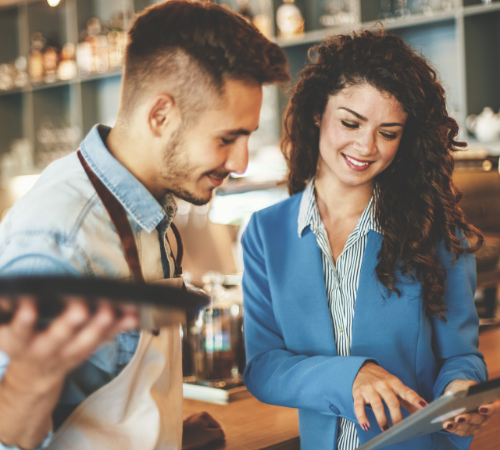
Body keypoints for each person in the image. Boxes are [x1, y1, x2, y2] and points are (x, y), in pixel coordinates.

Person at [0, 1, 289, 449]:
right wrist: (23, 389)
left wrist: (166, 435)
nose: (241, 161)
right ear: (160, 116)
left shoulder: (154, 210)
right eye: (227, 138)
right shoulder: (63, 236)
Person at [241, 29, 499, 450]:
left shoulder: (434, 231)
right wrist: (352, 376)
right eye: (350, 122)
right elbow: (264, 366)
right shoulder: (266, 233)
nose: (366, 145)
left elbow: (460, 356)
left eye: (389, 132)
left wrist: (459, 392)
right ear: (316, 114)